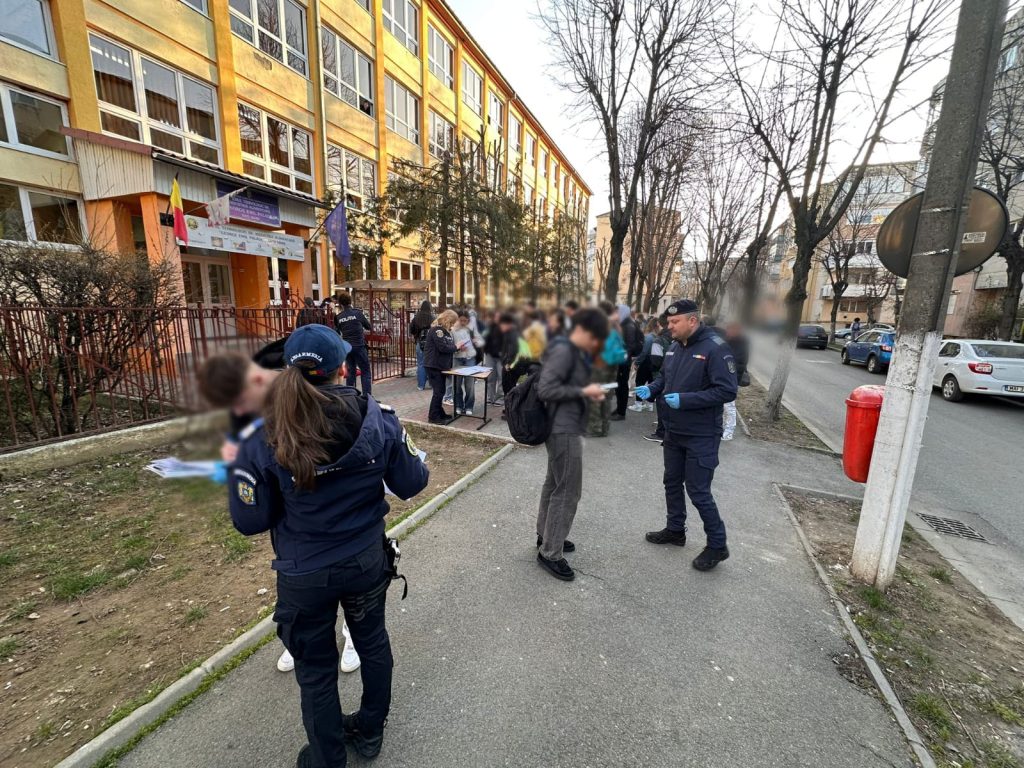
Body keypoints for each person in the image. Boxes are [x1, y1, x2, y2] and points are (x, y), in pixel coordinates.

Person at [228, 324, 429, 768]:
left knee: (316, 670)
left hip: (305, 574)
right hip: (364, 562)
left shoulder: (263, 434)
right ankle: (370, 732)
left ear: (288, 371)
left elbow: (250, 520)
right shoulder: (378, 417)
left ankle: (327, 758)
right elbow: (413, 481)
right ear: (343, 367)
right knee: (372, 644)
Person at [198, 347, 362, 677]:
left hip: (338, 542)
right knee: (312, 611)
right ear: (342, 370)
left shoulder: (357, 413)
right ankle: (308, 638)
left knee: (345, 598)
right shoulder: (269, 427)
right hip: (303, 547)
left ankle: (349, 635)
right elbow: (254, 511)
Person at [635, 299, 738, 571]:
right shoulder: (674, 347)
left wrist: (686, 400)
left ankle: (717, 545)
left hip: (701, 434)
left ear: (692, 321)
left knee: (698, 491)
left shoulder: (715, 348)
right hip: (674, 431)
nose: (669, 327)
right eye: (668, 322)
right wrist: (652, 389)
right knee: (671, 482)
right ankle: (675, 530)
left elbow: (727, 390)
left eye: (674, 322)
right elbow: (665, 379)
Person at [535, 308, 610, 581]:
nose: (596, 344)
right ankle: (550, 552)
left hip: (564, 426)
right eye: (595, 338)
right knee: (567, 491)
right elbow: (546, 389)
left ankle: (547, 536)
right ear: (585, 331)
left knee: (554, 484)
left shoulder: (568, 349)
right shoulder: (564, 350)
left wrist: (587, 393)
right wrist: (583, 391)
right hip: (562, 429)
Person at [334, 291, 373, 395]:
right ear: (350, 301)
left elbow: (337, 331)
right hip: (359, 346)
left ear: (340, 304)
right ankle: (367, 396)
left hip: (347, 348)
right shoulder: (357, 313)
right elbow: (368, 326)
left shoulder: (339, 317)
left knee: (351, 372)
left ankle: (350, 395)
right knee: (365, 371)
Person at [424, 309, 458, 424]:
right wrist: (456, 347)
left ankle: (439, 413)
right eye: (452, 322)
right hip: (434, 365)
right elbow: (442, 347)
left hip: (441, 366)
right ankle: (433, 416)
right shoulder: (437, 330)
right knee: (438, 392)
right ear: (448, 320)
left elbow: (447, 346)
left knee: (441, 391)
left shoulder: (445, 331)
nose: (453, 325)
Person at [612, 305, 643, 421]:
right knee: (618, 386)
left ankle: (621, 412)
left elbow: (630, 346)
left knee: (622, 386)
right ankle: (618, 409)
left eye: (617, 312)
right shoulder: (623, 323)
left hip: (623, 361)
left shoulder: (628, 325)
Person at [721, 321, 750, 441]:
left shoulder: (741, 343)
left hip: (732, 378)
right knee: (722, 404)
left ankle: (729, 431)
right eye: (727, 329)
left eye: (730, 330)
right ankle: (723, 426)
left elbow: (739, 363)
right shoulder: (727, 341)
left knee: (729, 405)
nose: (728, 332)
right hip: (724, 377)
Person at [451, 310, 482, 416]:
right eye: (461, 320)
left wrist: (476, 341)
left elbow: (480, 341)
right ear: (457, 319)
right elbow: (450, 345)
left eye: (466, 320)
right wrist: (458, 348)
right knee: (457, 384)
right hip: (457, 358)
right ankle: (458, 405)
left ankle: (469, 406)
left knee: (470, 385)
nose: (463, 322)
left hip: (470, 358)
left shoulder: (471, 329)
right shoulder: (453, 330)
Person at [629, 317, 663, 413]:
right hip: (655, 362)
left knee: (639, 382)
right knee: (652, 383)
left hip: (646, 362)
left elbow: (644, 352)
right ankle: (649, 404)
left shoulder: (649, 337)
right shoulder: (658, 337)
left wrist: (637, 362)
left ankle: (638, 404)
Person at [409, 300, 434, 391]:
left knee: (421, 364)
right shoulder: (432, 318)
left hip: (419, 342)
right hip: (431, 344)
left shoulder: (416, 318)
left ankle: (421, 385)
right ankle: (432, 384)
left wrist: (416, 334)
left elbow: (411, 329)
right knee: (431, 363)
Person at [483, 310, 504, 404]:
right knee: (490, 377)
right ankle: (490, 397)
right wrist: (485, 350)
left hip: (501, 356)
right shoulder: (490, 326)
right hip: (490, 355)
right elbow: (485, 338)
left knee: (501, 377)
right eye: (496, 316)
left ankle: (500, 398)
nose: (497, 318)